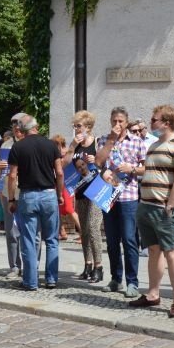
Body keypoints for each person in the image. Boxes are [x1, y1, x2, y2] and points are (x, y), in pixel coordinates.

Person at [129, 105, 174, 317]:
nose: (151, 123)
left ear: (166, 122)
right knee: (153, 251)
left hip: (164, 209)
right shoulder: (154, 145)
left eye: (154, 120)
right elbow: (150, 172)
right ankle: (153, 294)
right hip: (146, 206)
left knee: (171, 252)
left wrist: (171, 206)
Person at [95, 106, 147, 298]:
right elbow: (98, 162)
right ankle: (116, 279)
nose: (117, 124)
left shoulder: (137, 141)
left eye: (120, 121)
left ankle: (132, 282)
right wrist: (110, 141)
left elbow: (146, 167)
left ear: (127, 122)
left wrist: (132, 168)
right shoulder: (103, 139)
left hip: (128, 196)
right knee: (111, 241)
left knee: (129, 239)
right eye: (114, 121)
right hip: (108, 194)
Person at [8, 115, 64, 291]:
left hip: (28, 196)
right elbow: (60, 173)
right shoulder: (51, 145)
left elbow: (12, 176)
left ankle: (30, 282)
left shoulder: (18, 146)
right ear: (37, 127)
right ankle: (51, 279)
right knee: (52, 239)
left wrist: (11, 199)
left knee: (29, 240)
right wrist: (60, 193)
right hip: (49, 195)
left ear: (22, 130)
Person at [63, 110, 104, 283]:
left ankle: (98, 266)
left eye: (78, 126)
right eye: (75, 126)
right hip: (79, 190)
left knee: (93, 228)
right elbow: (64, 163)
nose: (76, 129)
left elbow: (106, 162)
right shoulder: (76, 145)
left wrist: (95, 160)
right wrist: (72, 145)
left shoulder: (97, 142)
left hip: (95, 190)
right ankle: (87, 264)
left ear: (88, 127)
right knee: (84, 230)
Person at [0, 113, 26, 278]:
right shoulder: (6, 145)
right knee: (11, 231)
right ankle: (14, 266)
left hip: (27, 191)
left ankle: (30, 266)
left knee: (28, 231)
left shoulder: (30, 143)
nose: (17, 129)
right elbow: (0, 171)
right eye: (14, 126)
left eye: (19, 126)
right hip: (9, 191)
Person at [51, 135, 79, 241]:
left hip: (66, 184)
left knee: (69, 209)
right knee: (57, 209)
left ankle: (83, 234)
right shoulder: (62, 152)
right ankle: (62, 232)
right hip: (59, 183)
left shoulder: (65, 153)